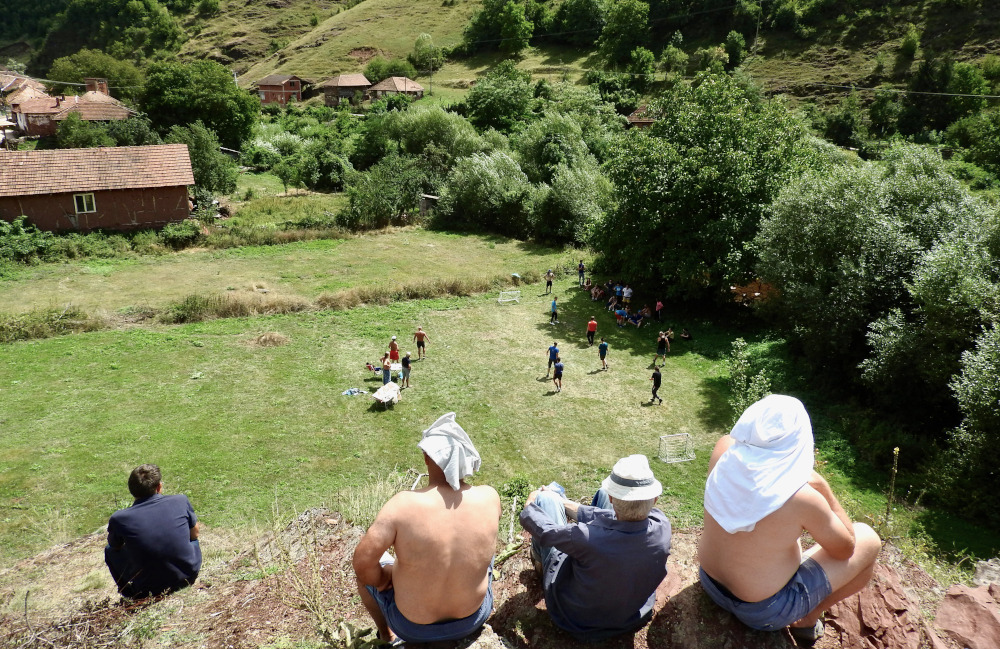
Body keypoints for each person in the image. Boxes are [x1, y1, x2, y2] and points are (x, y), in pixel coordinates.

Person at [698, 395, 881, 646]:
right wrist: (825, 490)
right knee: (868, 540)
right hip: (764, 611)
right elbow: (846, 548)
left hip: (710, 582)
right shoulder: (801, 497)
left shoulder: (723, 450)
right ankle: (808, 619)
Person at [353, 413, 501, 644]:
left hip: (412, 627)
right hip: (472, 618)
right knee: (484, 555)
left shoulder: (402, 505)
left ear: (426, 457)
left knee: (369, 572)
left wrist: (383, 579)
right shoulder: (490, 498)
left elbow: (362, 564)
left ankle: (387, 635)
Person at [519, 455, 671, 641]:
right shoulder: (662, 526)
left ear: (612, 498)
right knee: (597, 495)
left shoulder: (584, 538)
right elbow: (612, 517)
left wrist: (531, 504)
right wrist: (565, 502)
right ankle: (558, 497)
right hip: (629, 617)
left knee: (545, 500)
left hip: (576, 619)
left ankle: (539, 561)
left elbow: (547, 533)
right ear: (655, 499)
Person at [105, 464, 201, 599]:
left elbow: (115, 546)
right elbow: (195, 534)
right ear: (159, 487)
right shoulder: (180, 500)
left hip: (148, 588)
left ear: (132, 490)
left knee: (109, 550)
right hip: (188, 575)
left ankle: (130, 593)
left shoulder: (119, 519)